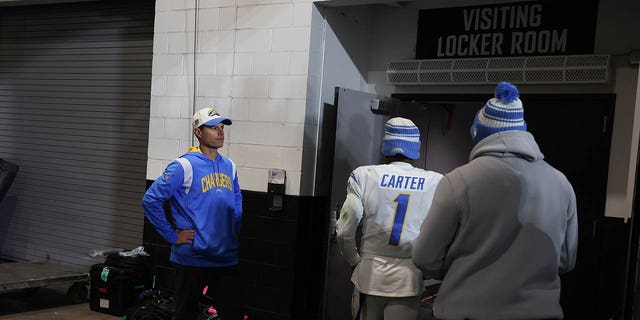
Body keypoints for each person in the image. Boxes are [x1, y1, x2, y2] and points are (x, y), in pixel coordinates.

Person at [412, 82, 578, 320]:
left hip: (467, 312)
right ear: (523, 131)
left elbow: (424, 256)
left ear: (478, 133)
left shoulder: (458, 181)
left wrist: (465, 267)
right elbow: (565, 260)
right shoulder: (561, 183)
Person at [336, 117, 443, 320]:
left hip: (369, 276)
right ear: (414, 148)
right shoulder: (435, 181)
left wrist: (354, 261)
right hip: (408, 280)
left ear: (386, 146)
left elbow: (344, 230)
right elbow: (440, 234)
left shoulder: (364, 176)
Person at [142, 107, 243, 320]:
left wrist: (233, 234)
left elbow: (236, 203)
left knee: (232, 314)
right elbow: (150, 200)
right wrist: (172, 235)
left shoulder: (230, 166)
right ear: (198, 132)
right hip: (192, 258)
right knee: (185, 315)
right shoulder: (184, 165)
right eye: (214, 128)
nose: (220, 133)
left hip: (225, 258)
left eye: (222, 128)